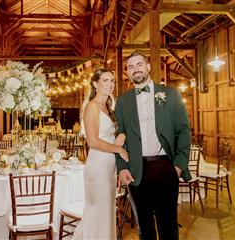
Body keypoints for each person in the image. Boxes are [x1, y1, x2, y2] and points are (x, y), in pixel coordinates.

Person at [115, 52, 191, 240]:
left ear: (148, 67)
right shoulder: (123, 101)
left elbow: (183, 131)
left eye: (139, 64)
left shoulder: (171, 94)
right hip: (136, 170)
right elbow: (119, 136)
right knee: (144, 229)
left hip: (166, 167)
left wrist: (179, 166)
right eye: (131, 67)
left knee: (168, 227)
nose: (136, 69)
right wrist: (122, 167)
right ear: (127, 72)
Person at [73, 68, 128, 239]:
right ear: (96, 84)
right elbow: (93, 142)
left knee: (107, 211)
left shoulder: (109, 107)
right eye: (105, 80)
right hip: (97, 167)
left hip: (109, 166)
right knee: (97, 211)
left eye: (112, 80)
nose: (111, 84)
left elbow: (114, 137)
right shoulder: (92, 107)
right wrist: (119, 149)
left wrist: (121, 165)